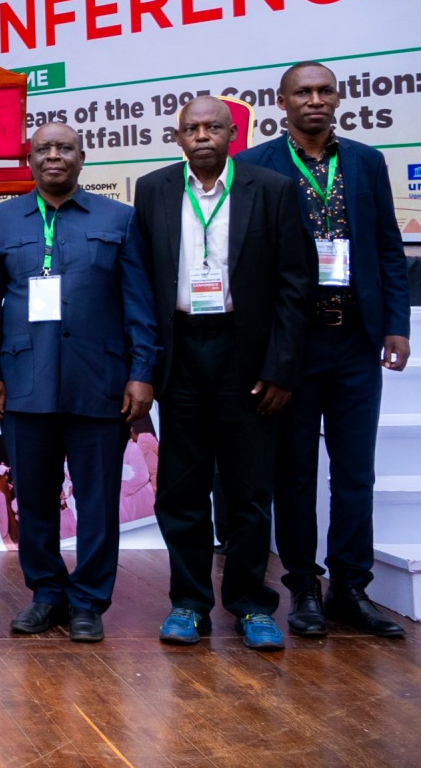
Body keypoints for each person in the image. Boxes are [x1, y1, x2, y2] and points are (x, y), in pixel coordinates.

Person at [237, 61, 409, 639]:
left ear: (338, 98)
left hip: (356, 340)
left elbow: (387, 245)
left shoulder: (365, 161)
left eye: (324, 91)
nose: (315, 99)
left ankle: (350, 589)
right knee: (294, 474)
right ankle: (304, 588)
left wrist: (395, 325)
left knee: (355, 471)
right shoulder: (254, 165)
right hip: (293, 345)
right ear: (281, 102)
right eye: (302, 92)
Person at [133, 96, 311, 651]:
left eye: (214, 127)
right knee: (180, 488)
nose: (203, 136)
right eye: (193, 129)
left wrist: (280, 368)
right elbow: (142, 283)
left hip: (246, 354)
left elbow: (294, 285)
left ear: (234, 134)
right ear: (177, 137)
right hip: (180, 351)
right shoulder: (155, 189)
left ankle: (251, 605)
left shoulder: (272, 189)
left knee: (249, 490)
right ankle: (188, 603)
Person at [0, 122, 158, 643]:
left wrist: (141, 373)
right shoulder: (1, 220)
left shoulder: (119, 219)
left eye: (65, 149)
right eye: (43, 149)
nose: (54, 156)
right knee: (33, 498)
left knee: (98, 501)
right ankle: (47, 594)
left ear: (83, 158)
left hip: (98, 381)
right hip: (24, 382)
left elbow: (140, 306)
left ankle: (88, 601)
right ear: (28, 159)